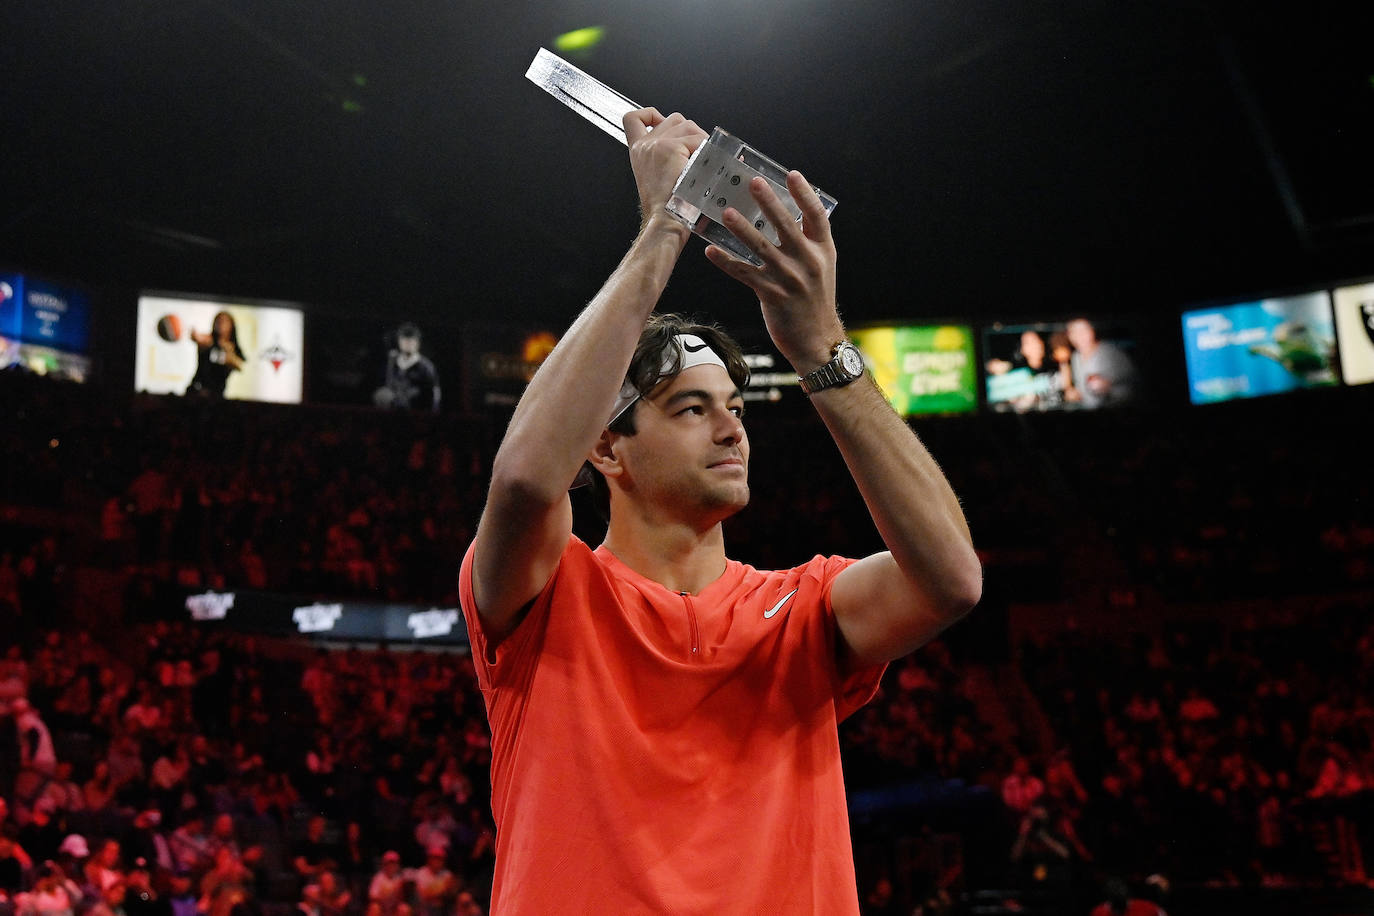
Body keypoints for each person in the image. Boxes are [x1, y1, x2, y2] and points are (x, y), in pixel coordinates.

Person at [459, 108, 981, 913]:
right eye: (690, 408)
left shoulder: (804, 609)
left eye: (734, 405)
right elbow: (527, 479)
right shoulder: (549, 590)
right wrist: (666, 225)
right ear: (607, 447)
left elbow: (953, 581)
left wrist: (820, 349)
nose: (732, 425)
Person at [1063, 318, 1137, 408]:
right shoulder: (1075, 357)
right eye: (1074, 332)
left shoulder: (1112, 353)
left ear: (1092, 331)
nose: (1079, 335)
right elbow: (1083, 390)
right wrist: (1076, 394)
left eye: (1084, 330)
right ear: (1069, 336)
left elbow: (1135, 383)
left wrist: (1109, 387)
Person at [373, 323, 439, 411]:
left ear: (417, 342)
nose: (408, 343)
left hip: (416, 409)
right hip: (393, 408)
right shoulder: (392, 361)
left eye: (411, 340)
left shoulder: (425, 366)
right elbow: (384, 384)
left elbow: (434, 391)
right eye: (404, 339)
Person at [187, 311, 244, 398]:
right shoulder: (209, 340)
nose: (220, 324)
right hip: (198, 390)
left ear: (231, 326)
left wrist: (226, 353)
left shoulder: (231, 347)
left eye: (224, 321)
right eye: (218, 320)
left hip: (217, 394)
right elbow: (201, 339)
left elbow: (239, 365)